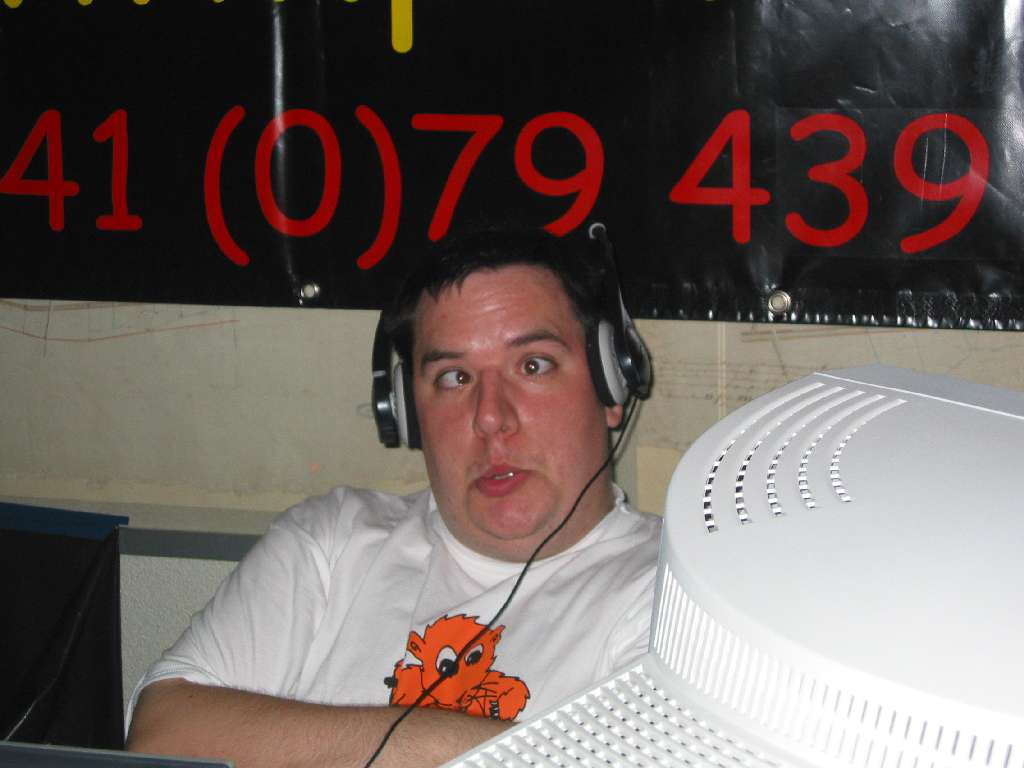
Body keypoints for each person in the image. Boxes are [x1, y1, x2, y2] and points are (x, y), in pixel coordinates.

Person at [125, 227, 661, 768]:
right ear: (406, 412)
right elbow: (162, 734)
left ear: (611, 385)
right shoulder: (332, 540)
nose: (491, 417)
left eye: (533, 365)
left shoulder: (675, 590)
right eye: (454, 377)